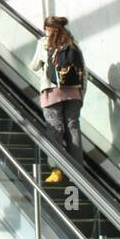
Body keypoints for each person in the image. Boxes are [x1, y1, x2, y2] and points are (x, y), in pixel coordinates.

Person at [32, 15, 86, 182]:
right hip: (74, 92)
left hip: (52, 91)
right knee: (73, 127)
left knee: (54, 128)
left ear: (48, 28)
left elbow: (34, 66)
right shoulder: (72, 43)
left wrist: (44, 77)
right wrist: (81, 92)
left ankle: (56, 170)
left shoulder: (43, 43)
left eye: (45, 28)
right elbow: (83, 69)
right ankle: (77, 171)